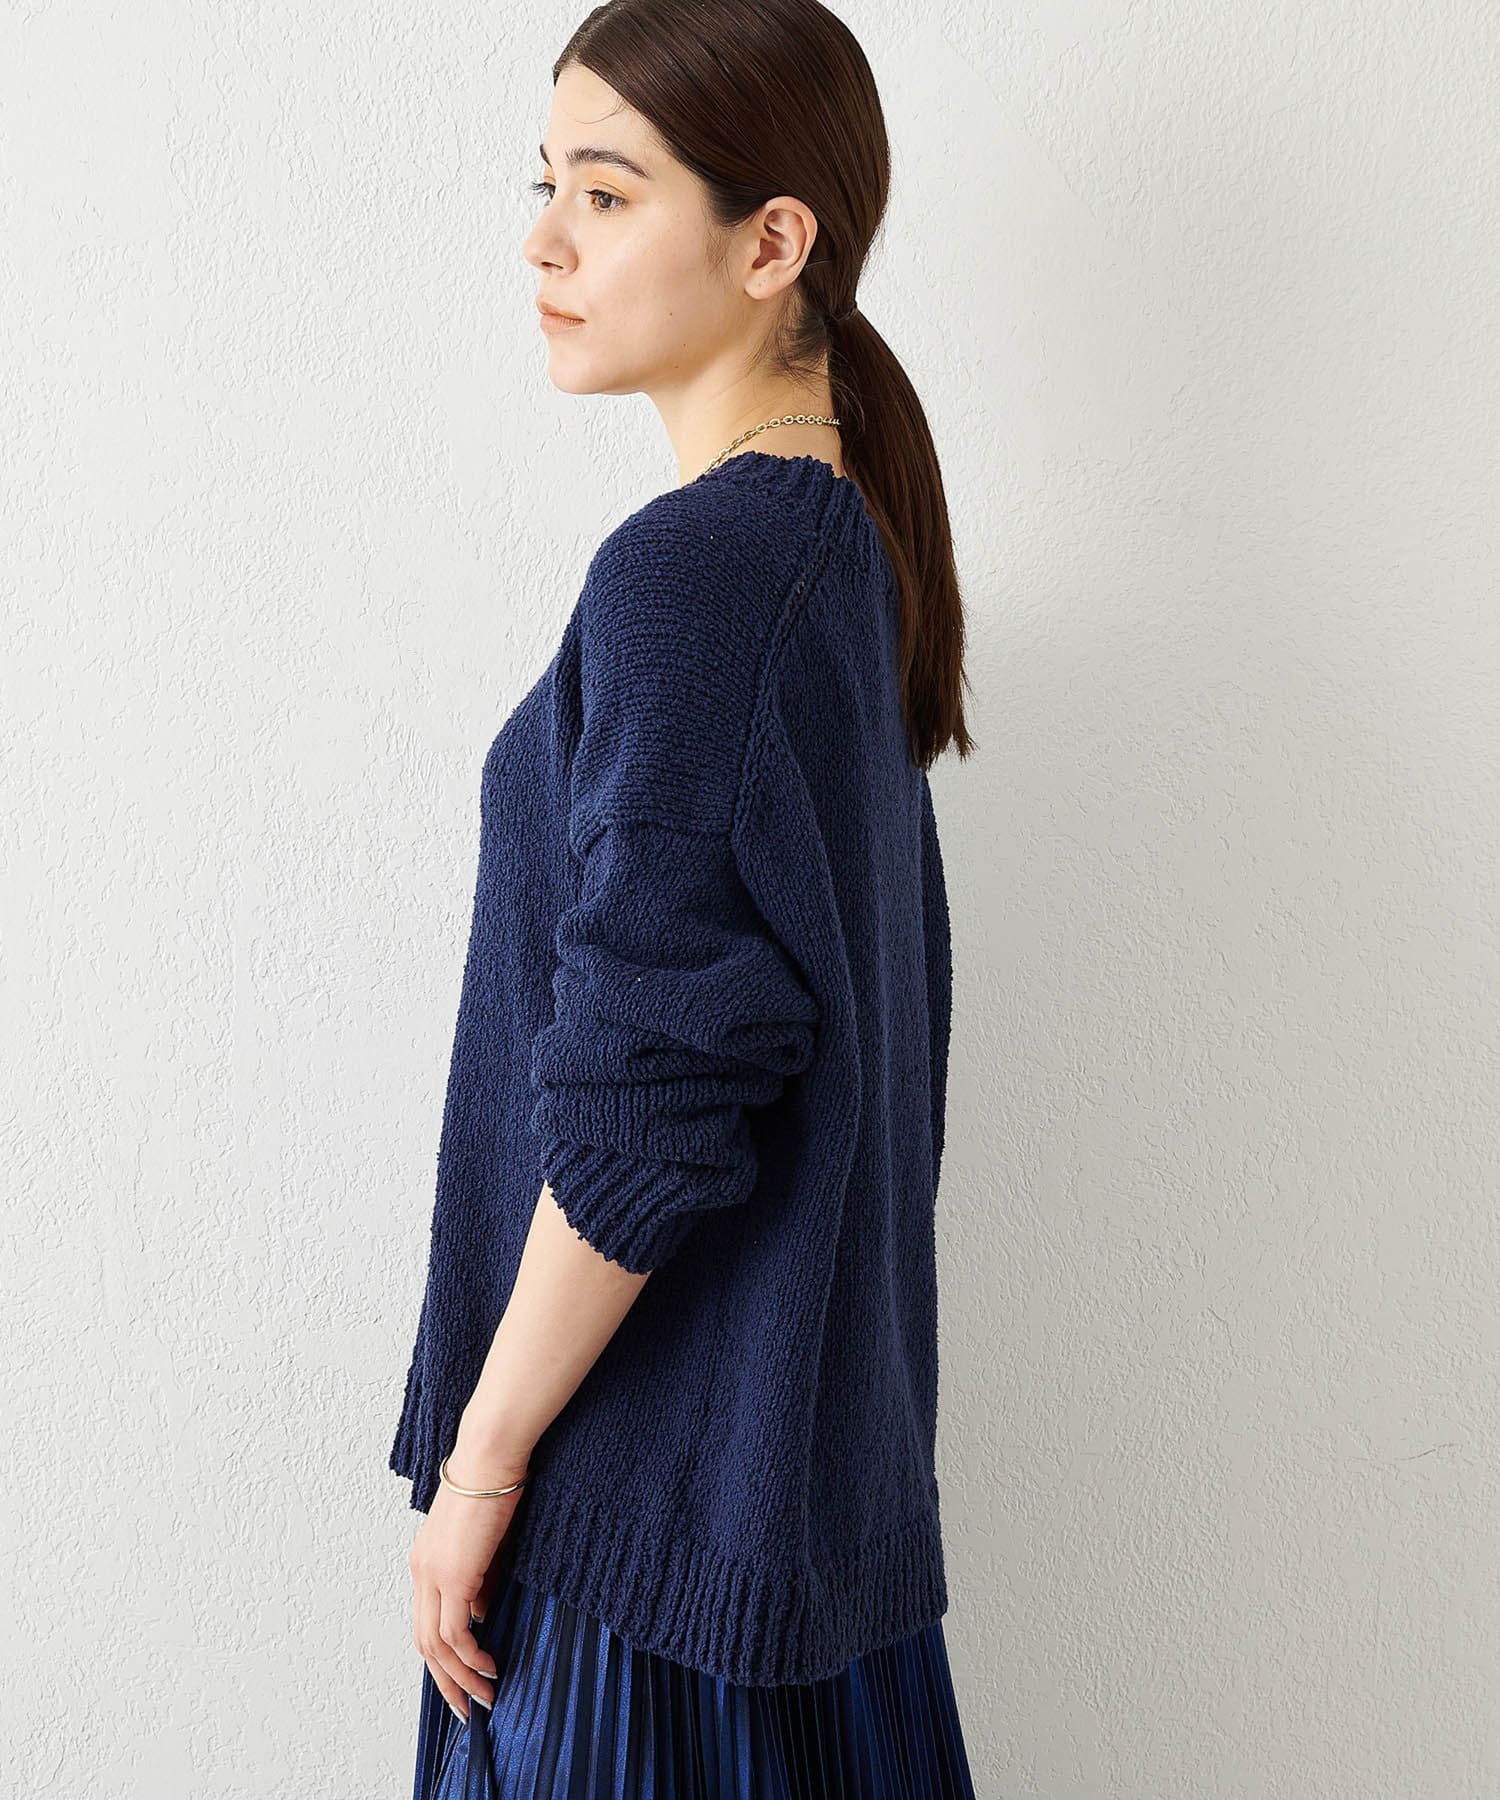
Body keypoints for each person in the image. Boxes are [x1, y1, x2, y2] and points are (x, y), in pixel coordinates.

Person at [389, 1, 979, 1791]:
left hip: (641, 1564)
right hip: (775, 1547)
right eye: (546, 186)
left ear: (771, 240)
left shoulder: (704, 578)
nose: (544, 243)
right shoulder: (831, 555)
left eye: (607, 192)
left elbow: (651, 1098)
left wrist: (481, 1467)